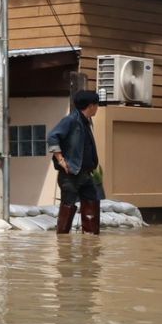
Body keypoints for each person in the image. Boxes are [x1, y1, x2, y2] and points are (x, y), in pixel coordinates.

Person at [47, 90, 103, 236]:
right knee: (68, 205)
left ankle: (90, 241)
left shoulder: (86, 122)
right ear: (91, 106)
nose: (97, 108)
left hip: (85, 173)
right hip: (71, 174)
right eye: (96, 105)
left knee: (92, 201)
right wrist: (61, 160)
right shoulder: (71, 120)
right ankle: (63, 239)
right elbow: (53, 137)